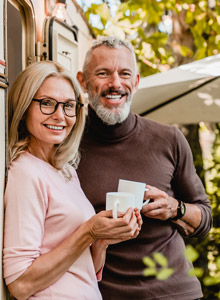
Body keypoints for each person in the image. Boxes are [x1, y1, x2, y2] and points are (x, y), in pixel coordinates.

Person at [76, 36, 212, 300]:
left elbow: (204, 219)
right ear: (83, 81)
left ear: (136, 82)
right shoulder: (65, 146)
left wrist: (176, 209)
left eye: (124, 74)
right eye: (103, 73)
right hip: (102, 294)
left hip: (175, 293)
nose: (115, 84)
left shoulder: (169, 139)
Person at [3, 60, 142, 300]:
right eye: (47, 103)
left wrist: (102, 240)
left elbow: (84, 269)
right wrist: (88, 232)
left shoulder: (65, 171)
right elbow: (20, 284)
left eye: (69, 106)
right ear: (24, 106)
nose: (60, 116)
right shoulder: (25, 172)